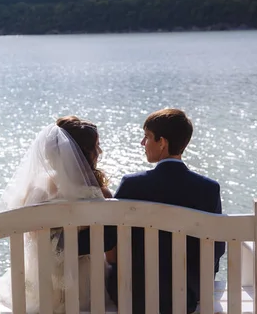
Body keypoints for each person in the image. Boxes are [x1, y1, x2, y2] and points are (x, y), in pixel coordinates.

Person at [79, 108, 226, 314]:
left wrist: (61, 245)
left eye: (147, 137)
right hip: (186, 298)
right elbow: (217, 249)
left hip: (132, 296)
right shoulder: (209, 189)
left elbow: (108, 238)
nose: (142, 143)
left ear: (162, 142)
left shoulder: (132, 185)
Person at [0, 116, 112, 313]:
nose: (100, 152)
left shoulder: (38, 191)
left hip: (43, 284)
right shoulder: (100, 193)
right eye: (97, 146)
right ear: (85, 154)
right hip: (88, 286)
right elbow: (107, 240)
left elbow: (31, 236)